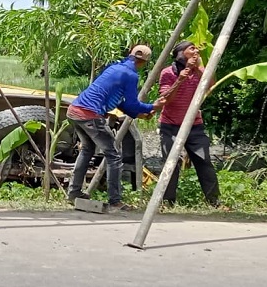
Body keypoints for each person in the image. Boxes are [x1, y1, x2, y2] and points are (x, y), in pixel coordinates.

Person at [66, 44, 165, 208]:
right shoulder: (131, 75)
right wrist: (152, 107)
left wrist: (141, 112)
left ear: (130, 55)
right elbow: (132, 105)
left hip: (74, 110)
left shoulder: (114, 68)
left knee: (87, 149)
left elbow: (120, 103)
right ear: (144, 63)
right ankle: (115, 201)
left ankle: (74, 192)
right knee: (114, 155)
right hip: (89, 114)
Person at [157, 40, 221, 207]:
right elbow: (166, 99)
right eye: (191, 48)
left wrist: (198, 68)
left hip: (194, 125)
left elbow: (211, 85)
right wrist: (180, 78)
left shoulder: (198, 71)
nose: (196, 51)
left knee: (203, 161)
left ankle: (214, 201)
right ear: (180, 53)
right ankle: (167, 202)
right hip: (170, 125)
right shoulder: (168, 73)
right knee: (171, 163)